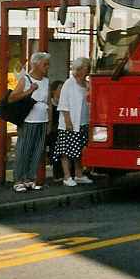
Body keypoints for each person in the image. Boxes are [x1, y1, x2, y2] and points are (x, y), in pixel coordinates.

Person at [9, 52, 51, 192]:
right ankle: (18, 179)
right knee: (24, 150)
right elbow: (12, 98)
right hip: (29, 120)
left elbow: (49, 102)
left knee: (37, 150)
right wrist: (29, 90)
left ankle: (29, 178)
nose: (47, 67)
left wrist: (49, 122)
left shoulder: (46, 81)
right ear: (35, 64)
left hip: (42, 119)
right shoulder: (25, 79)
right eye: (45, 64)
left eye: (47, 64)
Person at [55, 57, 93, 187]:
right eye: (87, 67)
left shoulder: (87, 84)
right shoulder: (69, 84)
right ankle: (67, 176)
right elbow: (63, 104)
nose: (89, 69)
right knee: (66, 151)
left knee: (79, 150)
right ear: (81, 69)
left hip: (83, 123)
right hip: (70, 123)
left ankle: (79, 174)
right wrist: (68, 122)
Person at [46, 80, 65, 183]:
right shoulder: (50, 103)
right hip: (53, 131)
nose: (62, 90)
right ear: (54, 91)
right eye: (60, 88)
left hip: (62, 130)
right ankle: (57, 173)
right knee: (56, 143)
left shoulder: (65, 102)